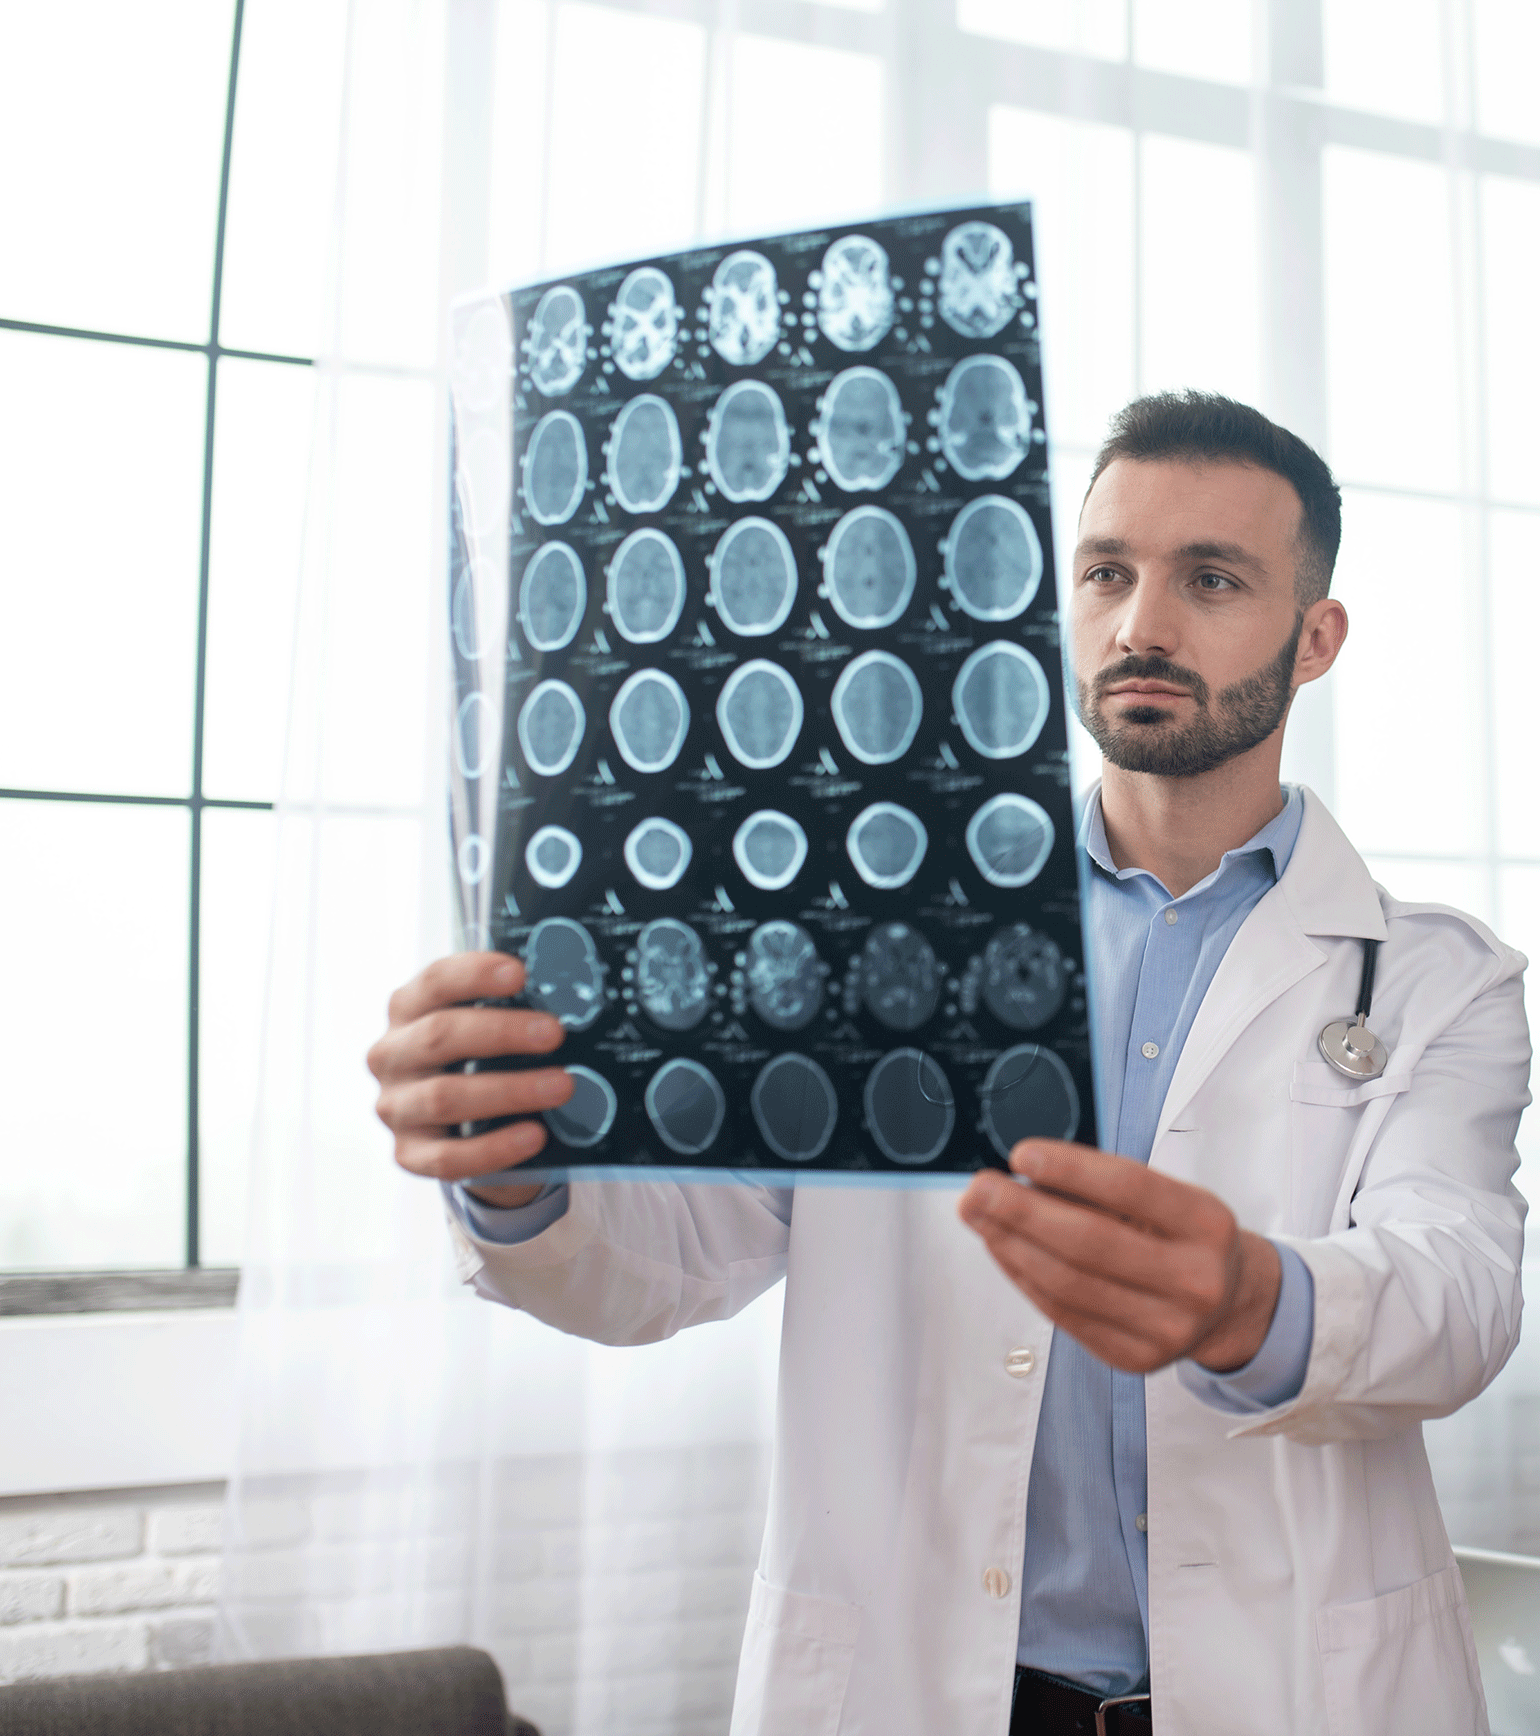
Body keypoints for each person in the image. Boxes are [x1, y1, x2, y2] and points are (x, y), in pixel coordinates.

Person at [368, 393, 1531, 1735]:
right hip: (932, 1692)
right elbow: (686, 1245)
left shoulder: (1440, 978)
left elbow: (1456, 1295)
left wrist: (1247, 1299)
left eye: (1211, 579)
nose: (1142, 624)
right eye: (1107, 573)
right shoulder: (887, 936)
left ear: (1314, 637)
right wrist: (518, 1175)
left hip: (1290, 1694)